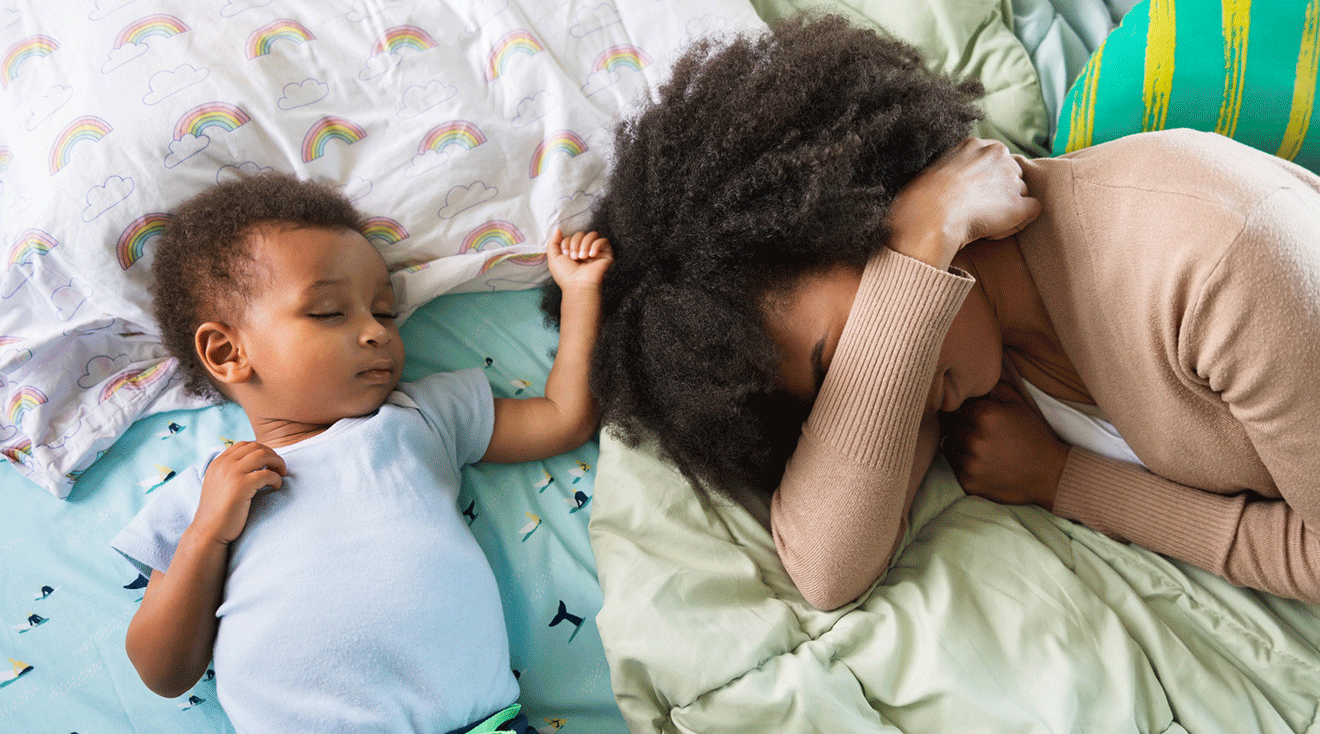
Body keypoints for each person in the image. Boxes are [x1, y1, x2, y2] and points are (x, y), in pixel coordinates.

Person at [541, 13, 1320, 611]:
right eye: (834, 390)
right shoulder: (953, 332)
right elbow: (825, 569)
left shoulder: (1214, 262)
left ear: (867, 203)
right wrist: (912, 263)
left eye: (843, 354)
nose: (880, 381)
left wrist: (1065, 482)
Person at [111, 173, 612, 733]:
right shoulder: (210, 491)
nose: (375, 331)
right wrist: (205, 536)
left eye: (385, 312)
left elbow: (564, 419)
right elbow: (163, 672)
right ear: (228, 352)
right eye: (329, 312)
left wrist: (581, 295)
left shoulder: (421, 417)